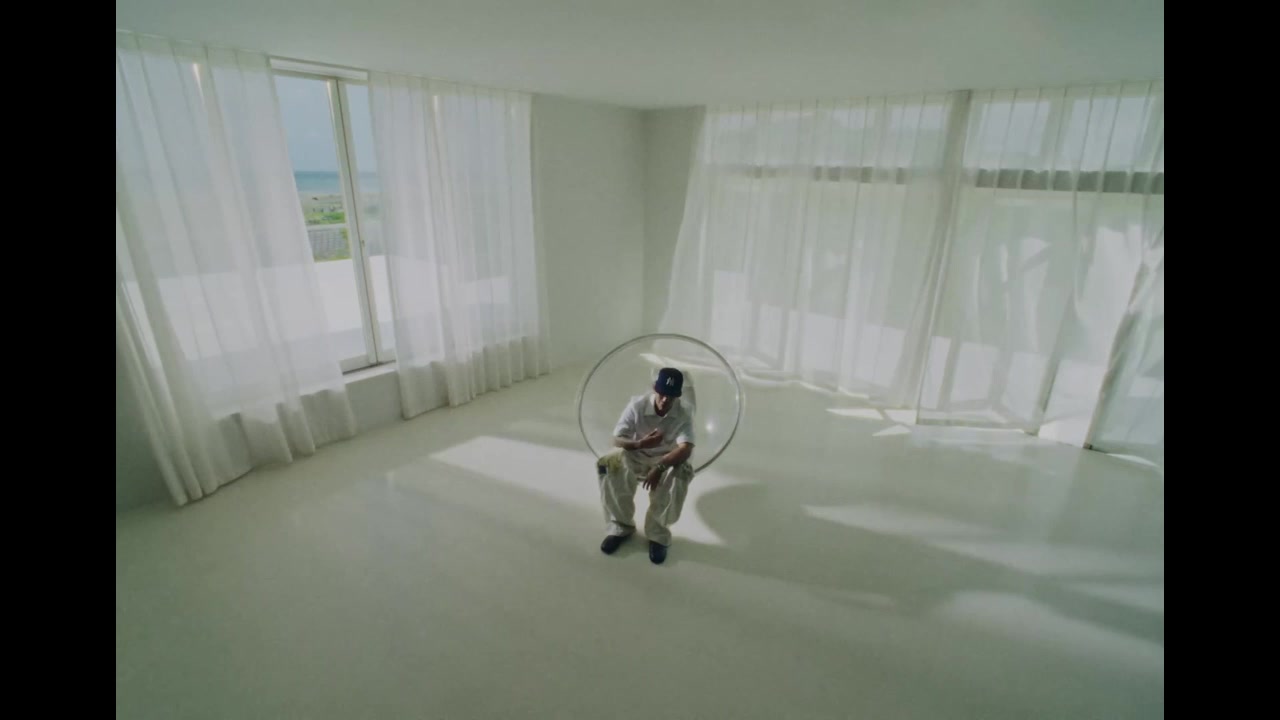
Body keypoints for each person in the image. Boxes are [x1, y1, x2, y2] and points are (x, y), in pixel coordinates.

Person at [596, 367, 695, 565]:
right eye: (662, 394)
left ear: (678, 396)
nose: (665, 400)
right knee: (609, 462)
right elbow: (616, 439)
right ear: (654, 389)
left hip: (665, 460)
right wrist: (640, 443)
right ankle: (620, 526)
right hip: (636, 455)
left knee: (681, 471)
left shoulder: (683, 412)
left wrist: (660, 467)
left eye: (671, 396)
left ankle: (658, 534)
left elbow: (686, 448)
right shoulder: (637, 406)